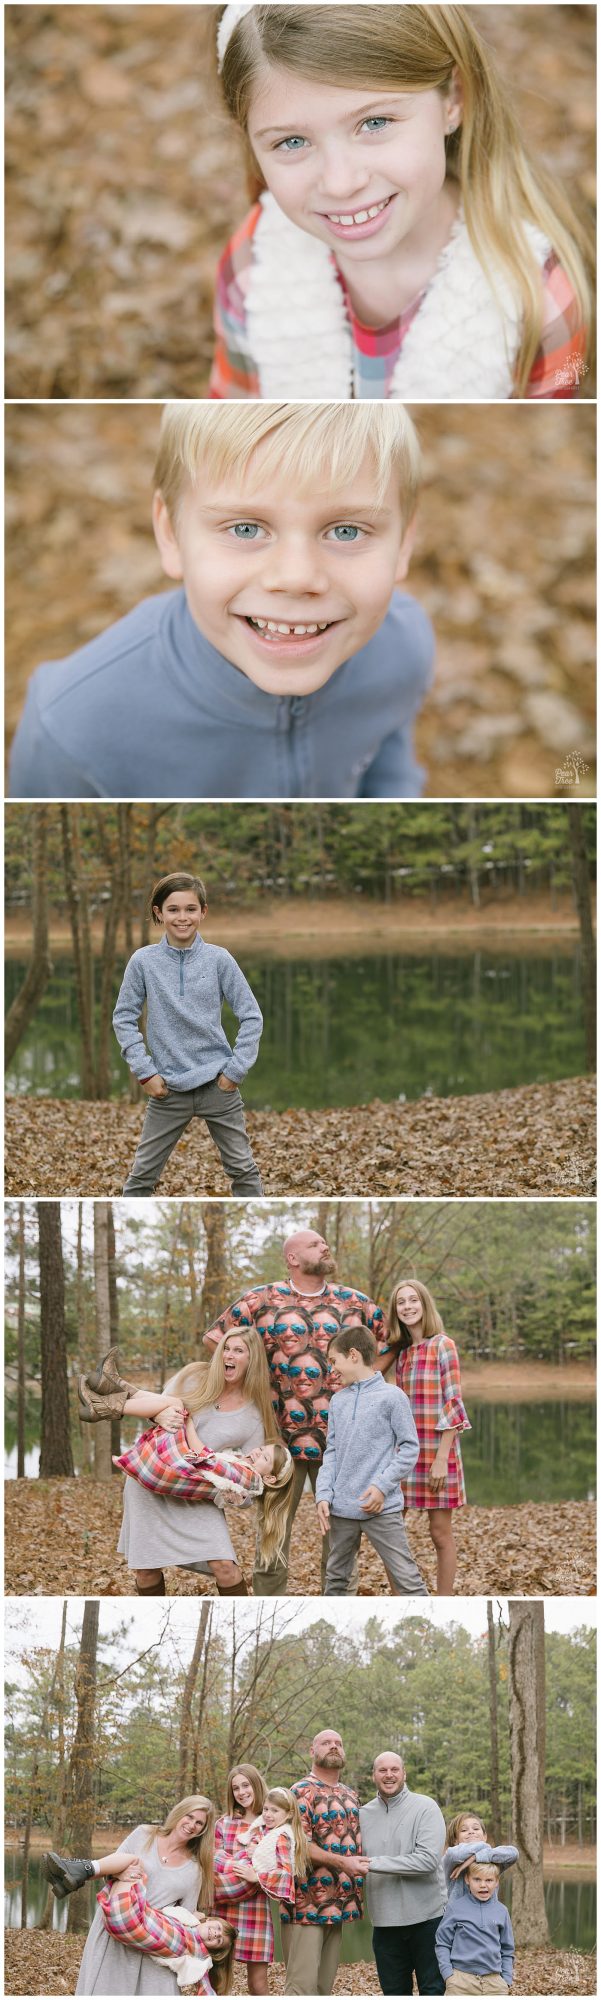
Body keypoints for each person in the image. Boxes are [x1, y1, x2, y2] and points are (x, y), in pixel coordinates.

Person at [9, 400, 434, 802]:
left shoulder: (403, 646)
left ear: (403, 544)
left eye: (347, 531)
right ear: (171, 533)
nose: (296, 577)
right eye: (245, 529)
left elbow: (389, 767)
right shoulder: (71, 726)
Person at [212, 3, 591, 401]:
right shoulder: (253, 265)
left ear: (454, 99)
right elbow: (230, 403)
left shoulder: (545, 297)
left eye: (375, 122)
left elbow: (569, 389)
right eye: (291, 142)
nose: (341, 184)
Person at [203, 1228, 393, 1591]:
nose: (325, 1246)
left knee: (340, 1543)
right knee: (272, 1538)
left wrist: (366, 1396)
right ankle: (266, 1607)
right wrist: (247, 1388)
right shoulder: (261, 1300)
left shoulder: (357, 1304)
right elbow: (216, 1340)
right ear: (293, 1258)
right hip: (277, 1443)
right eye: (315, 1244)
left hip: (343, 1443)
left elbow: (386, 1348)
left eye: (325, 1241)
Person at [83, 1329, 277, 1596]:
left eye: (238, 1351)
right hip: (155, 1473)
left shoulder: (253, 1415)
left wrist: (238, 1498)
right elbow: (159, 1407)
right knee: (147, 1569)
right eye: (226, 1348)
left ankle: (107, 1396)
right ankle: (108, 1391)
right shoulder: (195, 1375)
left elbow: (250, 1475)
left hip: (195, 1489)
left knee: (225, 1566)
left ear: (252, 1359)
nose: (228, 1356)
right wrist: (159, 1417)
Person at [113, 872, 263, 1198]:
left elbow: (251, 1016)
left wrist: (235, 1071)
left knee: (243, 1170)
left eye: (191, 909)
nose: (183, 917)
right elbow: (124, 1018)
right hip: (167, 1089)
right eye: (173, 909)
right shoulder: (143, 962)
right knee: (140, 1178)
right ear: (158, 913)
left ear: (203, 912)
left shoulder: (220, 960)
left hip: (218, 1087)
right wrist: (145, 1072)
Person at [44, 1796, 222, 1996]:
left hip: (151, 1939)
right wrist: (120, 1873)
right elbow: (112, 1867)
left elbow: (185, 1917)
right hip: (117, 1925)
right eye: (189, 1817)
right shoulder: (144, 1834)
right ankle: (75, 1872)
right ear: (179, 1813)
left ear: (203, 1830)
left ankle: (77, 1870)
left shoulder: (195, 1870)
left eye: (199, 1823)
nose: (192, 1825)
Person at [315, 1324, 428, 1595]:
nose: (332, 1369)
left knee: (408, 1580)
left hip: (382, 1508)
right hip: (341, 1510)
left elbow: (410, 1448)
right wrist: (322, 1494)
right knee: (336, 1582)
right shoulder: (338, 1401)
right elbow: (331, 1452)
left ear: (353, 1355)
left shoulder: (392, 1397)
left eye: (334, 1361)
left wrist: (381, 1486)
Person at [387, 1279, 471, 1594]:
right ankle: (401, 1594)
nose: (407, 1307)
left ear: (424, 1305)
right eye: (401, 1303)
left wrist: (441, 1460)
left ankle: (444, 1599)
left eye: (413, 1300)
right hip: (407, 1454)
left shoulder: (443, 1345)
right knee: (391, 1528)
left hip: (439, 1451)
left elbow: (453, 1403)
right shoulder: (402, 1355)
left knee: (439, 1533)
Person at [283, 1729, 364, 1997]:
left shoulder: (350, 1794)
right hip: (305, 1905)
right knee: (300, 1986)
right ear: (312, 1751)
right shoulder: (299, 1792)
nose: (333, 1747)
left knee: (322, 1987)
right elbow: (297, 1844)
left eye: (338, 1743)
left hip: (340, 1903)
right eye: (326, 1743)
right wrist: (342, 1863)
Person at [359, 1749, 446, 1996]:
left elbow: (428, 1861)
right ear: (373, 1776)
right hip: (385, 1923)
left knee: (433, 1990)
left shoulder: (425, 1807)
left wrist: (372, 1862)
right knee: (394, 1992)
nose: (389, 1775)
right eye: (382, 1770)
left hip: (429, 1920)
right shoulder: (362, 1815)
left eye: (394, 1769)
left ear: (404, 1773)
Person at [216, 1783, 310, 1995]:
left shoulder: (282, 1835)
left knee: (257, 1984)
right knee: (218, 1979)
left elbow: (285, 1874)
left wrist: (256, 1877)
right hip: (222, 1904)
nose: (268, 1814)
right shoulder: (259, 1827)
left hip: (255, 1907)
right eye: (266, 1809)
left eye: (274, 1811)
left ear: (288, 1814)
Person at [435, 1859, 515, 1994]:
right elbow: (442, 1943)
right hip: (460, 1981)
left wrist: (506, 1979)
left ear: (496, 1882)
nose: (483, 1885)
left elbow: (507, 1949)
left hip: (494, 1982)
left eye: (489, 1880)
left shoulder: (502, 1911)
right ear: (467, 1879)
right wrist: (448, 1975)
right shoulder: (455, 1908)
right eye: (477, 1879)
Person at [443, 1812, 518, 1901]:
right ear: (455, 1840)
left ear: (484, 1837)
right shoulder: (452, 1860)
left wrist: (475, 1857)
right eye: (464, 1830)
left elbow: (513, 1853)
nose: (471, 1832)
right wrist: (483, 1846)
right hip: (459, 1914)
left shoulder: (493, 1861)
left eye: (476, 1828)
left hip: (489, 1914)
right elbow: (454, 1854)